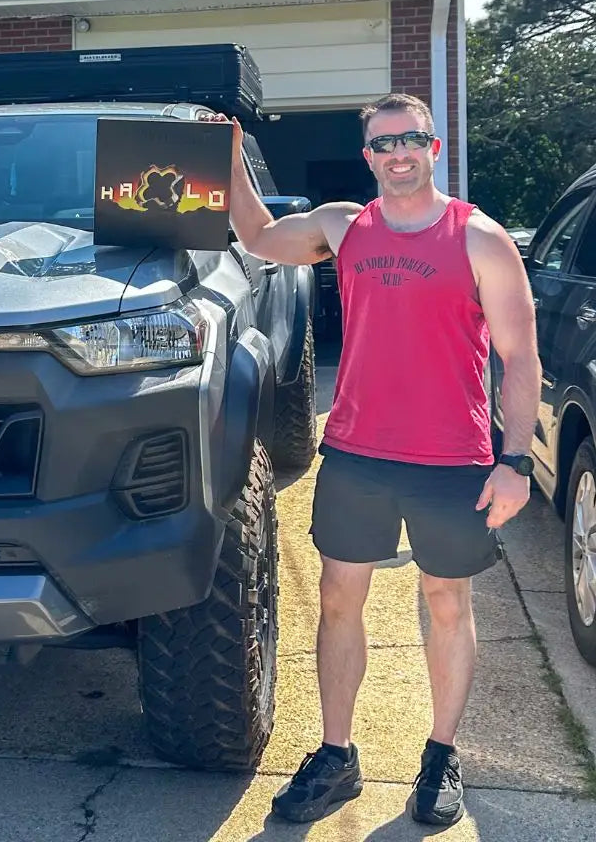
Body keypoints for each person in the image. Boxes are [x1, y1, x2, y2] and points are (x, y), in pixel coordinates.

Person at [223, 92, 541, 828]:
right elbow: (259, 235)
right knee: (338, 599)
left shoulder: (480, 238)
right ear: (367, 154)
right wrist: (231, 160)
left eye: (411, 139)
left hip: (452, 459)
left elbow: (521, 356)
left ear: (433, 147)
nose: (399, 153)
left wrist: (516, 461)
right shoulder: (343, 226)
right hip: (357, 454)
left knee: (446, 602)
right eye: (384, 143)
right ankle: (337, 756)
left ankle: (440, 755)